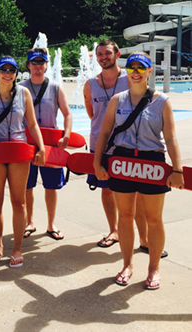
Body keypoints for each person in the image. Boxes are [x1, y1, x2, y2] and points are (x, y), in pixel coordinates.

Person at [93, 52, 183, 289]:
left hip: (151, 162)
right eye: (131, 67)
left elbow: (171, 137)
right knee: (125, 217)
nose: (135, 72)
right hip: (121, 162)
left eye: (140, 68)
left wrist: (177, 169)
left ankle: (153, 268)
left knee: (153, 219)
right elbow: (104, 133)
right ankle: (127, 264)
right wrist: (97, 162)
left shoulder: (162, 101)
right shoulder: (117, 100)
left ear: (149, 71)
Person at [0, 56, 45, 268]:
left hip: (18, 151)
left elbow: (32, 123)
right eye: (3, 69)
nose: (7, 73)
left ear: (15, 73)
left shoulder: (24, 93)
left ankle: (17, 248)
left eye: (11, 70)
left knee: (18, 202)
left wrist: (40, 147)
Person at [84, 40, 152, 249]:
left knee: (137, 195)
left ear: (117, 54)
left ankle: (144, 239)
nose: (104, 57)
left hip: (129, 145)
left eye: (108, 53)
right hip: (100, 145)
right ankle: (114, 231)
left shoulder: (130, 77)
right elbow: (91, 113)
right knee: (106, 190)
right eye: (100, 54)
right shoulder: (90, 84)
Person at [20, 48, 72, 240]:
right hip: (27, 143)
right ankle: (29, 222)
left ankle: (51, 224)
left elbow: (67, 113)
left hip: (50, 145)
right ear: (28, 65)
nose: (38, 66)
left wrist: (66, 135)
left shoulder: (55, 87)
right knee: (27, 186)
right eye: (34, 63)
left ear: (46, 65)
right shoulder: (20, 88)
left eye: (41, 62)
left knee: (51, 186)